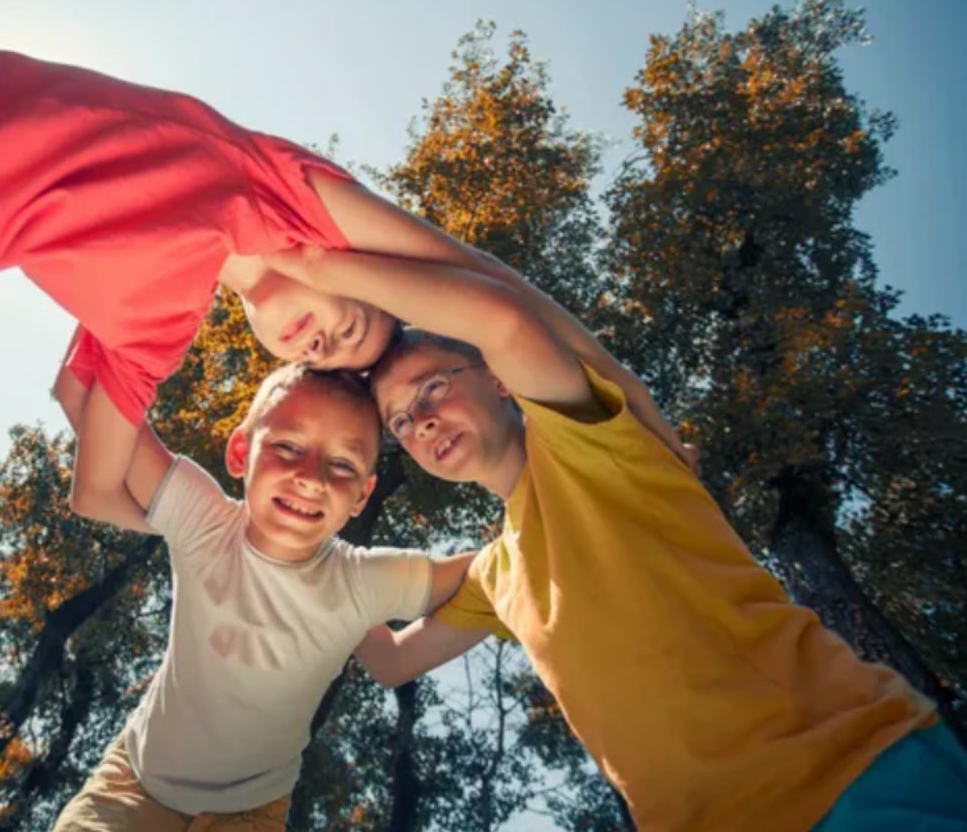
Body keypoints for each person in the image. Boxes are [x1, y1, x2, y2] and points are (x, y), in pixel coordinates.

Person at [0, 0, 692, 528]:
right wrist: (651, 433)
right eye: (352, 307)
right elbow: (492, 290)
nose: (330, 325)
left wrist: (212, 530)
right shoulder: (266, 180)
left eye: (332, 345)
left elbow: (96, 489)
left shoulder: (148, 328)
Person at [267, 245, 967, 832]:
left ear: (500, 379)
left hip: (852, 776)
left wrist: (328, 280)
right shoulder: (497, 573)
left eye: (432, 389)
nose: (419, 422)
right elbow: (391, 659)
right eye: (398, 422)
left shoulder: (590, 441)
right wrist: (301, 536)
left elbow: (505, 318)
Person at [52, 361, 473, 831]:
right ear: (240, 452)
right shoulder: (204, 521)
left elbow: (493, 573)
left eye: (342, 464)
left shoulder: (360, 581)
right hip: (132, 786)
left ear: (362, 494)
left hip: (251, 813)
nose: (312, 478)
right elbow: (110, 417)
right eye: (288, 446)